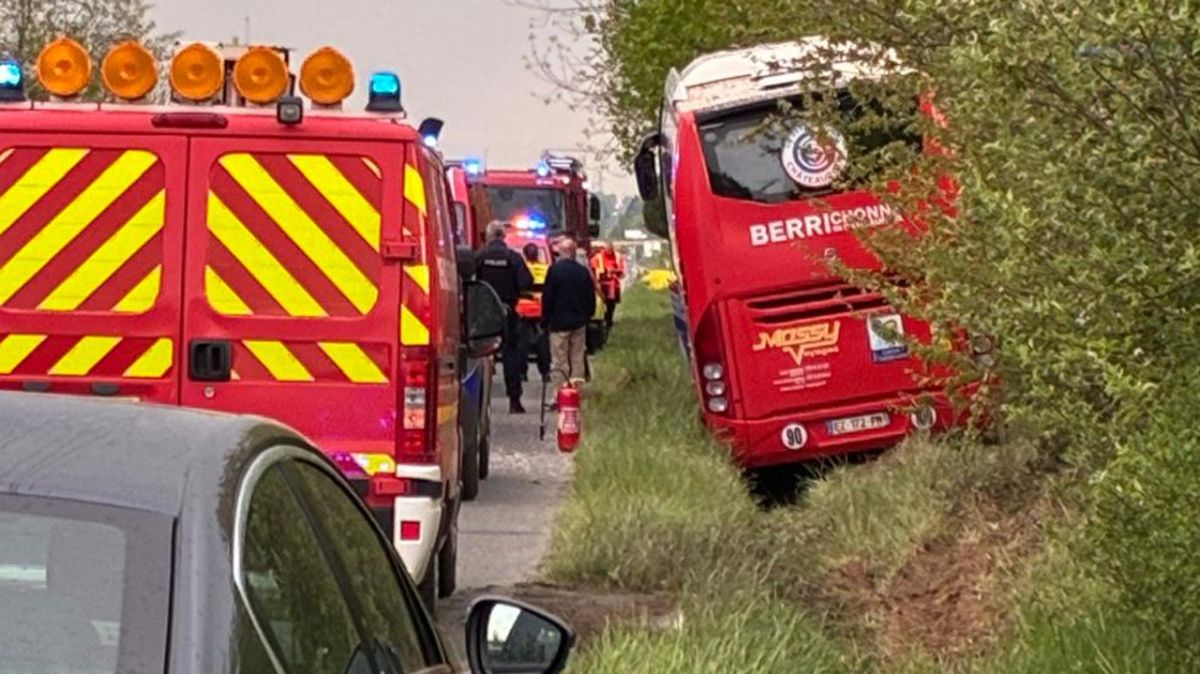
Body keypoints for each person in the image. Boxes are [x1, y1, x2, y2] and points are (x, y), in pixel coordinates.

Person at [475, 221, 533, 413]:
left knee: (479, 355)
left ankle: (478, 402)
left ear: (489, 236)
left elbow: (468, 278)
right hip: (507, 312)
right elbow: (526, 281)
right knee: (511, 356)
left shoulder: (480, 256)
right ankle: (514, 400)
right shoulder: (513, 258)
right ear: (503, 236)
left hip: (484, 314)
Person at [542, 237, 596, 389]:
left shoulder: (554, 271)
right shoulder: (582, 271)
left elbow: (548, 297)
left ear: (561, 252)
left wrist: (545, 319)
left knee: (559, 360)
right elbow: (590, 295)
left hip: (559, 323)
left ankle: (560, 392)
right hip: (579, 322)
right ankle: (576, 391)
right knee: (577, 357)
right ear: (573, 252)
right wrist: (588, 315)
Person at [590, 242, 625, 330]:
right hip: (600, 283)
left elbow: (621, 271)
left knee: (611, 304)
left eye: (610, 250)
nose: (609, 251)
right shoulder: (598, 257)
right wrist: (603, 271)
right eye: (607, 250)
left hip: (613, 284)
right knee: (600, 304)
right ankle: (601, 320)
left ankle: (608, 320)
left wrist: (614, 271)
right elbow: (592, 267)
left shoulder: (617, 256)